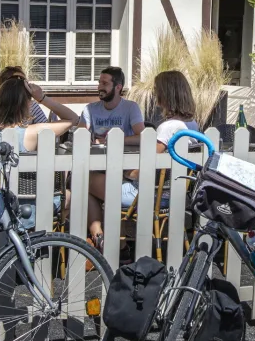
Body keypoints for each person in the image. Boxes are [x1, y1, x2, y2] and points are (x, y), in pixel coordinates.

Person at [81, 70, 198, 253]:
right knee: (97, 188)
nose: (154, 94)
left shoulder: (168, 128)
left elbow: (143, 171)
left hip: (145, 195)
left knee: (84, 180)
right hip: (172, 194)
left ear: (166, 94)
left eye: (156, 90)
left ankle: (106, 243)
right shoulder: (192, 124)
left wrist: (124, 172)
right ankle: (114, 244)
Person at [0, 77, 79, 227]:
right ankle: (51, 239)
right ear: (26, 104)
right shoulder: (32, 133)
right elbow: (73, 118)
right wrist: (42, 98)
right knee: (72, 196)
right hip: (27, 207)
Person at [80, 66, 145, 143]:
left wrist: (109, 141)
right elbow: (79, 135)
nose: (99, 87)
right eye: (99, 83)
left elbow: (142, 137)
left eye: (104, 83)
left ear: (118, 87)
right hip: (97, 154)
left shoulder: (131, 107)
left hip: (123, 154)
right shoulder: (90, 108)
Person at [0, 66, 48, 130]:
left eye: (23, 82)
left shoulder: (31, 105)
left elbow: (47, 129)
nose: (18, 87)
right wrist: (42, 99)